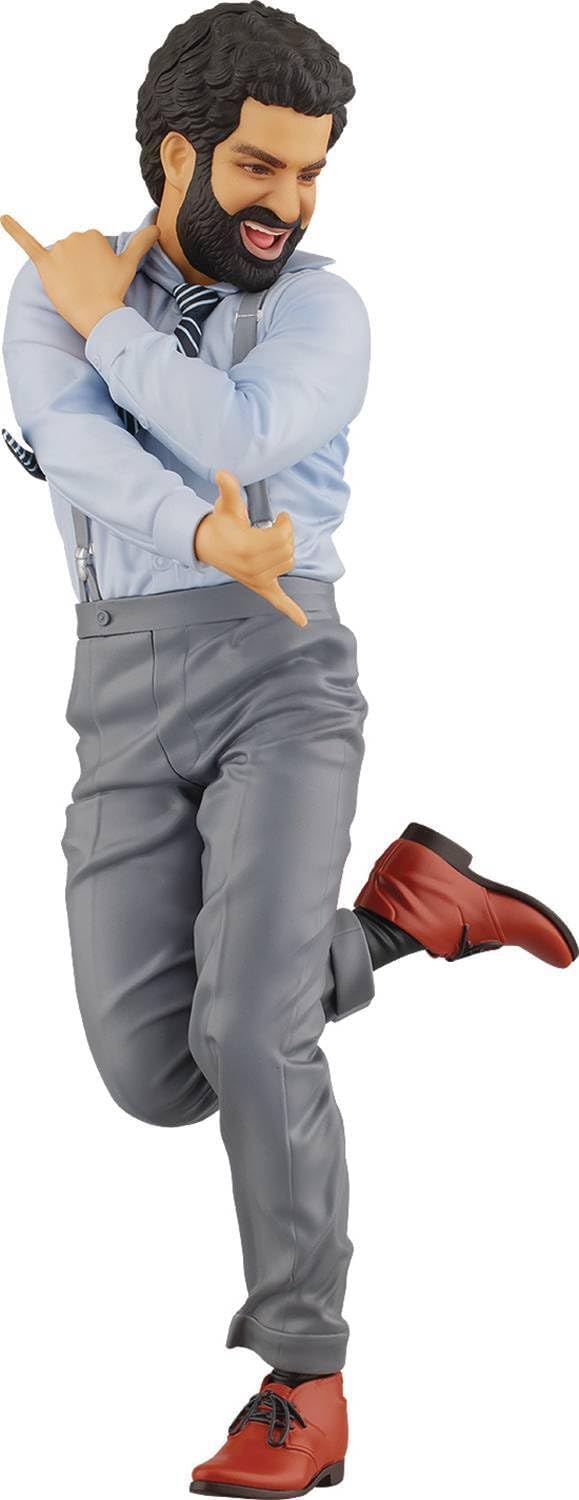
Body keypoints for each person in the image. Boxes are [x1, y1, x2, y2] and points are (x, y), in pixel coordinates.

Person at [1, 5, 576, 1495]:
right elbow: (78, 449)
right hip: (119, 688)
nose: (288, 205)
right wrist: (192, 525)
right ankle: (405, 916)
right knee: (156, 1070)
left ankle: (303, 1383)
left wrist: (108, 322)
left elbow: (244, 433)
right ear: (176, 154)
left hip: (283, 672)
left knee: (253, 1034)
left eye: (311, 173)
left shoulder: (326, 310)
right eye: (259, 167)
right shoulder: (44, 293)